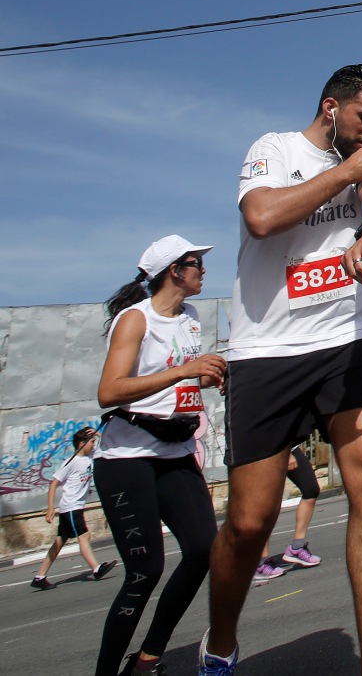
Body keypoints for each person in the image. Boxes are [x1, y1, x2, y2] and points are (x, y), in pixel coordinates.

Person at [205, 64, 362, 676]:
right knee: (248, 522)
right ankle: (220, 643)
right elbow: (262, 218)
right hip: (267, 351)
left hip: (346, 339)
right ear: (330, 108)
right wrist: (344, 172)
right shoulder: (275, 149)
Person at [95, 236, 225, 676]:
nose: (203, 270)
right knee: (144, 571)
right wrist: (184, 371)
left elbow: (171, 381)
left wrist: (205, 378)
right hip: (126, 457)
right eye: (196, 263)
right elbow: (109, 392)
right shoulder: (135, 320)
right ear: (174, 270)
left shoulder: (189, 318)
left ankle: (147, 659)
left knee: (205, 549)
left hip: (173, 451)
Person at [32, 427, 116, 589]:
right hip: (71, 507)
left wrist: (97, 434)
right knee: (84, 536)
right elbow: (54, 483)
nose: (93, 445)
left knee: (59, 542)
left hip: (74, 508)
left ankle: (39, 577)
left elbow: (105, 447)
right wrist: (50, 509)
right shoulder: (71, 462)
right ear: (80, 443)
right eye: (91, 442)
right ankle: (96, 569)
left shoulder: (89, 457)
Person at [254, 443, 325, 581]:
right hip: (266, 450)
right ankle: (260, 563)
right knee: (268, 503)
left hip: (288, 446)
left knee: (311, 489)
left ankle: (296, 548)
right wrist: (283, 451)